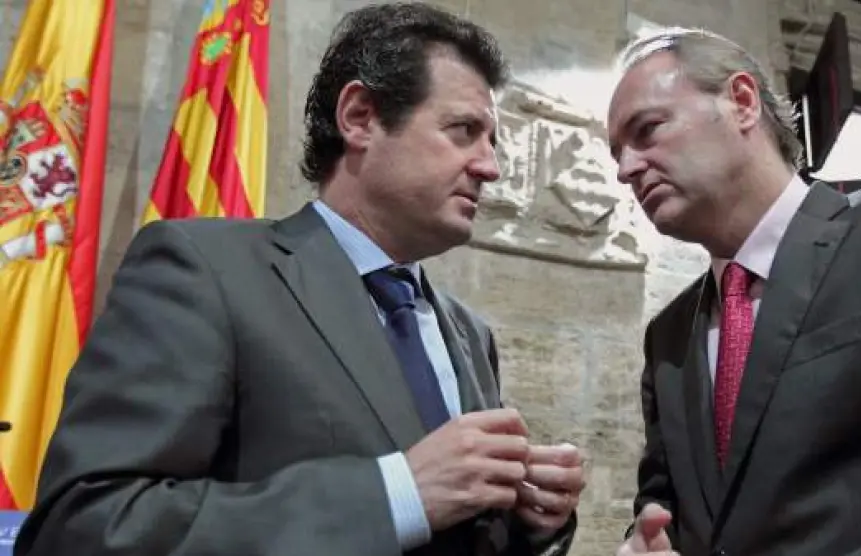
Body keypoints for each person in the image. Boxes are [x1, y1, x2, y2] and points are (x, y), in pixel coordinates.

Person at [13, 3, 583, 555]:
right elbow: (86, 526)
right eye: (463, 130)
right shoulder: (205, 271)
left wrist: (527, 525)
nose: (490, 167)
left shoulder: (470, 334)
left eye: (492, 141)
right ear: (360, 117)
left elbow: (452, 520)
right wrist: (394, 495)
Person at [607, 26, 861, 556]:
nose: (626, 169)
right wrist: (645, 542)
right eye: (617, 153)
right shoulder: (667, 336)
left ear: (741, 102)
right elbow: (665, 506)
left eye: (647, 129)